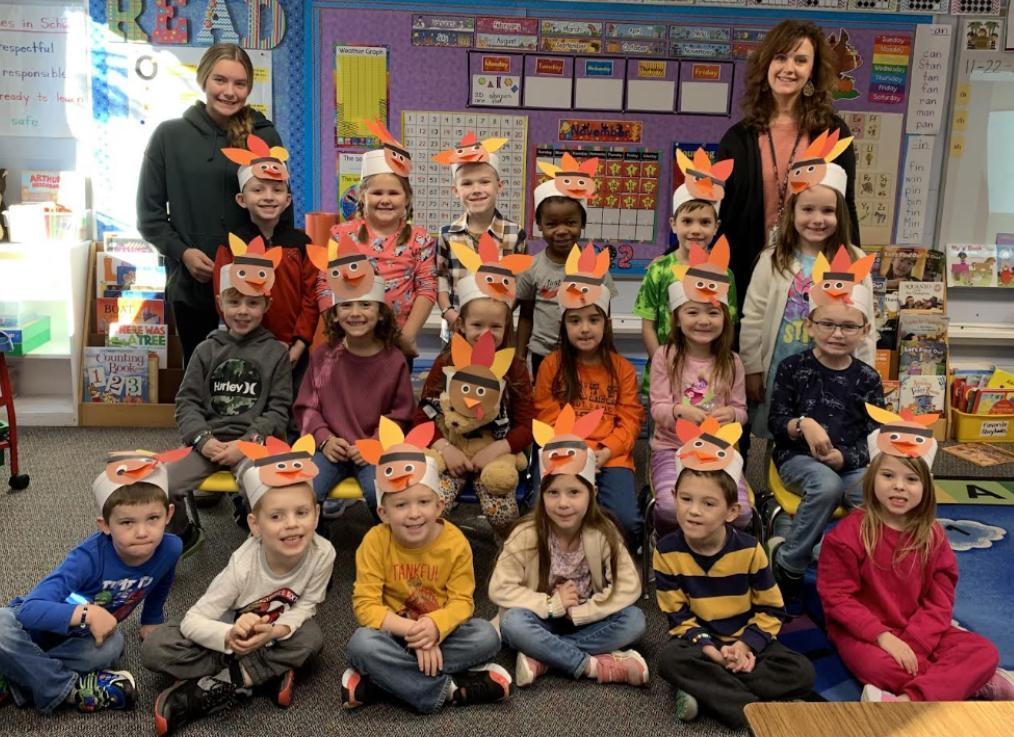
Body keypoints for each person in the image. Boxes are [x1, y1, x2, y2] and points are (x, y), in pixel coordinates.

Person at [818, 405, 1014, 702]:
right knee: (880, 667)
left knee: (984, 652)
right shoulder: (847, 535)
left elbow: (940, 598)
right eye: (888, 475)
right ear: (872, 477)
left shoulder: (932, 535)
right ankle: (967, 683)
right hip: (865, 634)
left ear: (926, 486)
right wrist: (884, 637)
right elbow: (837, 599)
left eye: (911, 479)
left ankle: (909, 700)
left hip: (921, 631)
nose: (899, 486)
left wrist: (916, 642)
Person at [143, 437, 335, 735]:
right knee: (156, 648)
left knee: (311, 639)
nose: (292, 524)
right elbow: (194, 620)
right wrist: (229, 635)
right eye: (276, 516)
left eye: (302, 512)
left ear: (317, 515)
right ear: (255, 525)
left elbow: (307, 605)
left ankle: (215, 684)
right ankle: (262, 673)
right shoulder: (243, 565)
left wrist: (274, 632)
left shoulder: (324, 553)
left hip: (272, 633)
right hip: (227, 629)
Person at [342, 419, 511, 712]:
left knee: (487, 636)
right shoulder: (374, 541)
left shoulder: (455, 542)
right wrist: (416, 633)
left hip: (443, 632)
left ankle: (386, 682)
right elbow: (366, 606)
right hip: (395, 633)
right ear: (383, 513)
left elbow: (462, 603)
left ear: (438, 506)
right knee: (361, 644)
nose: (414, 513)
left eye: (423, 502)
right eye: (401, 505)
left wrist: (434, 627)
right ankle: (449, 690)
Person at [137, 43, 289, 366]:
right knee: (199, 375)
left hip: (253, 286)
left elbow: (281, 211)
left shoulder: (265, 138)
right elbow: (149, 216)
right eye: (220, 80)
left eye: (240, 83)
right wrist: (183, 253)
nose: (230, 91)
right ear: (204, 79)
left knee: (253, 376)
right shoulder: (169, 136)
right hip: (192, 285)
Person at [654, 423, 814, 728]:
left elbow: (772, 610)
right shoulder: (665, 551)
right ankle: (753, 708)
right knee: (671, 660)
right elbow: (678, 618)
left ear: (731, 511)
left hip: (745, 639)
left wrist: (745, 646)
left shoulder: (750, 550)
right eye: (686, 499)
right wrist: (711, 650)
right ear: (674, 496)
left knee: (802, 671)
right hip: (701, 645)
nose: (694, 511)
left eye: (708, 503)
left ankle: (709, 692)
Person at [0, 450, 185, 714]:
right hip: (34, 627)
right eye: (127, 522)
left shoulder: (171, 547)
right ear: (105, 525)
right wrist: (88, 613)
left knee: (112, 647)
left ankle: (17, 674)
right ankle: (66, 690)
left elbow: (162, 577)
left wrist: (151, 618)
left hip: (83, 637)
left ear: (168, 514)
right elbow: (30, 610)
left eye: (153, 518)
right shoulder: (87, 558)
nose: (142, 532)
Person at [490, 405, 648, 688]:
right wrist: (551, 605)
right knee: (512, 623)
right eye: (553, 493)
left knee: (635, 621)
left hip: (586, 618)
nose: (563, 503)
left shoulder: (604, 532)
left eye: (574, 492)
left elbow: (628, 585)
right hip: (542, 617)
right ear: (542, 495)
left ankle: (544, 657)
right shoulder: (525, 534)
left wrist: (584, 612)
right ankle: (592, 666)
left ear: (592, 494)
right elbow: (500, 589)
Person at [765, 260, 883, 602]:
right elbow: (776, 423)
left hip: (849, 464)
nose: (837, 333)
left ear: (864, 330)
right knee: (826, 485)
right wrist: (803, 424)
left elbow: (875, 438)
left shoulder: (868, 378)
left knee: (879, 493)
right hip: (796, 459)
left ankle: (855, 565)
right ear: (810, 325)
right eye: (827, 324)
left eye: (848, 326)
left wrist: (843, 457)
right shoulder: (792, 368)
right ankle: (790, 562)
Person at [717, 20, 859, 300]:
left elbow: (846, 206)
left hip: (813, 275)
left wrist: (851, 272)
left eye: (800, 60)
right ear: (766, 64)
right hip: (747, 273)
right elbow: (720, 212)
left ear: (812, 71)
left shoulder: (832, 132)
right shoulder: (738, 138)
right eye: (780, 57)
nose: (789, 68)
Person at [740, 143, 875, 438]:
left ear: (840, 215)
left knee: (829, 431)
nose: (817, 219)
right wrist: (752, 369)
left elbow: (866, 326)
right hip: (779, 366)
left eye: (828, 211)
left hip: (835, 370)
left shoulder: (854, 259)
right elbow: (753, 317)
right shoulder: (773, 259)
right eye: (808, 209)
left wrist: (865, 373)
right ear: (792, 212)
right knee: (781, 430)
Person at [165, 260, 292, 553]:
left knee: (263, 488)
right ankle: (184, 534)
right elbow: (186, 402)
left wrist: (246, 444)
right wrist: (202, 439)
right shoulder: (205, 350)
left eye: (252, 303)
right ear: (220, 303)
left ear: (266, 304)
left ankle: (265, 548)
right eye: (234, 302)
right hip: (208, 444)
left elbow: (278, 410)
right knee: (161, 484)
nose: (243, 311)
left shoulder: (276, 353)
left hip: (254, 446)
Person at [413, 235, 535, 537]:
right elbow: (421, 415)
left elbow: (527, 425)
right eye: (477, 325)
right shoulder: (446, 363)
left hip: (494, 455)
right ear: (461, 325)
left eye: (495, 327)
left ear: (507, 328)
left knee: (504, 514)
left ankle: (508, 549)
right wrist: (444, 448)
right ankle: (437, 549)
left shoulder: (514, 367)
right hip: (450, 453)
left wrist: (499, 449)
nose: (485, 334)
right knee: (430, 507)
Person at [533, 245, 644, 548]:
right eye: (575, 321)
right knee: (543, 513)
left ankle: (613, 563)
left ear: (606, 323)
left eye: (594, 320)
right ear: (563, 324)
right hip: (562, 452)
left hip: (610, 456)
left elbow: (630, 419)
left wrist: (606, 451)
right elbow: (545, 414)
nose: (585, 329)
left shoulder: (622, 369)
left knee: (626, 520)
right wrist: (575, 451)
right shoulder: (551, 366)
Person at [295, 247, 414, 520]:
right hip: (330, 449)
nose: (355, 313)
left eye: (365, 304)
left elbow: (402, 414)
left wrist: (374, 443)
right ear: (335, 314)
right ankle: (309, 539)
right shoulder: (324, 356)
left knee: (382, 493)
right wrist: (324, 439)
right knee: (304, 490)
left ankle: (387, 541)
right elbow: (307, 407)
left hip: (374, 450)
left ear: (380, 312)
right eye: (346, 305)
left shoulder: (394, 360)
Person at [315, 120, 436, 362]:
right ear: (362, 196)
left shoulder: (420, 238)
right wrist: (337, 328)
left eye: (394, 193)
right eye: (377, 193)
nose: (385, 200)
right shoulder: (341, 234)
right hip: (350, 339)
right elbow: (325, 283)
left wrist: (408, 335)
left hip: (397, 342)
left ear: (406, 198)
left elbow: (427, 287)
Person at [649, 262, 748, 535]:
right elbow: (657, 408)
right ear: (677, 319)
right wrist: (679, 411)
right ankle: (665, 542)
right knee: (670, 508)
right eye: (692, 312)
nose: (703, 321)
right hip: (672, 448)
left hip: (718, 450)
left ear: (724, 318)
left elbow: (741, 411)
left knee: (741, 512)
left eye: (713, 313)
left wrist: (732, 415)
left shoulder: (732, 362)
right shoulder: (665, 357)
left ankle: (719, 548)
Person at [213, 134, 318, 393]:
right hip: (244, 345)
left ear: (287, 199)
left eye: (277, 190)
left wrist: (299, 343)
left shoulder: (301, 244)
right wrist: (246, 339)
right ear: (242, 199)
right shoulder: (231, 245)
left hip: (293, 349)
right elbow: (225, 297)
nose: (268, 197)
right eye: (258, 189)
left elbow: (311, 297)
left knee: (290, 405)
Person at [634, 147, 739, 396]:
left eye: (705, 222)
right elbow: (648, 325)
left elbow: (728, 325)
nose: (696, 230)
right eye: (687, 221)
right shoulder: (659, 270)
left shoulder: (724, 274)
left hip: (707, 380)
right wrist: (662, 366)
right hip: (665, 377)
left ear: (716, 226)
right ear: (673, 224)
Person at [517, 152, 617, 378]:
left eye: (571, 223)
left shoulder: (597, 267)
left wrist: (608, 352)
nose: (562, 231)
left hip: (586, 354)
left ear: (582, 224)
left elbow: (606, 316)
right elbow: (526, 315)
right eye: (552, 224)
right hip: (543, 354)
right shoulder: (532, 267)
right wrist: (520, 357)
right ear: (539, 225)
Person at [432, 131, 526, 339]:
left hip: (497, 330)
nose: (476, 189)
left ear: (499, 186)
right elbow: (441, 279)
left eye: (484, 182)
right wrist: (449, 313)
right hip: (456, 329)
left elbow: (519, 283)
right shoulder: (447, 234)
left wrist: (501, 315)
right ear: (455, 191)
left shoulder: (514, 234)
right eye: (466, 183)